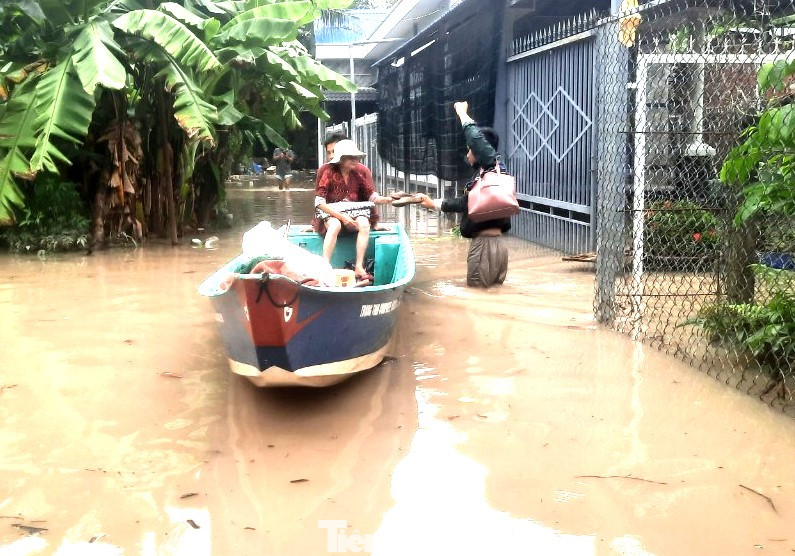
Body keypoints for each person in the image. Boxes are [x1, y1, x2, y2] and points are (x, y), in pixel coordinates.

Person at [417, 101, 511, 287]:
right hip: (499, 247)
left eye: (470, 149)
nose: (468, 154)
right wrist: (433, 203)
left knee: (477, 292)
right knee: (492, 293)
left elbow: (475, 139)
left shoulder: (491, 167)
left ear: (479, 150)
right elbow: (465, 203)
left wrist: (462, 113)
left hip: (484, 246)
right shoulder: (492, 176)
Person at [313, 139, 393, 281]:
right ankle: (325, 265)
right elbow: (319, 203)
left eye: (356, 157)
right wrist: (342, 218)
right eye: (351, 157)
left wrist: (387, 199)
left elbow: (371, 195)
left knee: (364, 224)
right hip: (331, 212)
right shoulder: (328, 173)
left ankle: (359, 266)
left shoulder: (356, 174)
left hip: (353, 211)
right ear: (341, 159)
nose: (355, 160)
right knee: (335, 225)